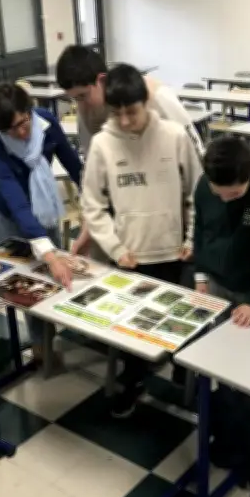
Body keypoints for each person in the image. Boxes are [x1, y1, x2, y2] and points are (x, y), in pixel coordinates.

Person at [81, 64, 202, 418]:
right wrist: (115, 248)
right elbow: (92, 203)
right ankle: (132, 380)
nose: (125, 121)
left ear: (145, 102)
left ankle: (185, 376)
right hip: (131, 255)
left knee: (178, 318)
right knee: (134, 326)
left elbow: (197, 191)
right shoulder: (103, 144)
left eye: (131, 111)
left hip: (174, 249)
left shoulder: (175, 135)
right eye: (116, 113)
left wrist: (192, 236)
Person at [56, 45, 204, 256]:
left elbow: (196, 161)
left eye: (83, 96)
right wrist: (89, 229)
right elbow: (94, 176)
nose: (81, 105)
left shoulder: (156, 98)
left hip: (170, 215)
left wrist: (192, 232)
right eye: (74, 99)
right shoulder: (87, 113)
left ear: (101, 80)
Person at [0, 82, 84, 288]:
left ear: (29, 110)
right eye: (10, 129)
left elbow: (73, 164)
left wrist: (96, 201)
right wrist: (49, 256)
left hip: (44, 197)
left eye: (23, 122)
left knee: (54, 257)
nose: (21, 132)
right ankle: (35, 319)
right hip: (9, 206)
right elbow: (17, 203)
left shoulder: (46, 122)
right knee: (26, 272)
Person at [193, 137, 250, 325]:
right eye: (218, 193)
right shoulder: (204, 182)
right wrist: (201, 276)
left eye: (235, 194)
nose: (226, 200)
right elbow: (201, 230)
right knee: (216, 341)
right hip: (216, 281)